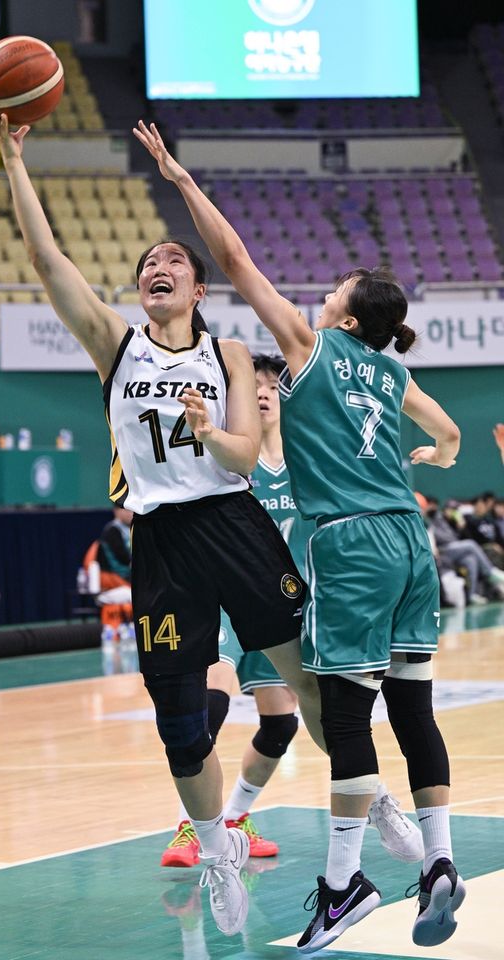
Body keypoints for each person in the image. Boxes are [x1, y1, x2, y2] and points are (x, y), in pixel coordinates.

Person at [0, 95, 316, 938]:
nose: (156, 264)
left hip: (234, 520)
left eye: (173, 258)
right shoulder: (114, 346)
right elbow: (46, 259)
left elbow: (244, 446)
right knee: (179, 722)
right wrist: (13, 159)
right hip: (159, 538)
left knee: (306, 680)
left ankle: (373, 806)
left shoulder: (227, 352)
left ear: (197, 286)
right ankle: (215, 848)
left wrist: (221, 433)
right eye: (147, 261)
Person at [134, 120, 466, 952]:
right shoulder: (394, 370)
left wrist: (181, 180)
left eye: (339, 285)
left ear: (350, 312)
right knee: (414, 711)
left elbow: (237, 257)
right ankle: (437, 860)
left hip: (350, 545)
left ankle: (343, 884)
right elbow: (451, 435)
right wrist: (439, 451)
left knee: (346, 720)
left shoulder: (312, 348)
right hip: (410, 545)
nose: (327, 289)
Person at [161, 355, 424, 870]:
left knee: (288, 724)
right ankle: (191, 825)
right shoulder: (232, 457)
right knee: (205, 706)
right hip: (226, 604)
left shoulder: (311, 460)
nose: (262, 392)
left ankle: (355, 799)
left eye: (272, 385)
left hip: (287, 605)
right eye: (252, 385)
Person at [428, 497, 504, 603]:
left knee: (471, 559)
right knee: (470, 544)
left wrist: (461, 528)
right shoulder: (438, 519)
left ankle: (471, 595)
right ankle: (490, 571)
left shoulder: (455, 522)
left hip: (454, 552)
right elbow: (443, 539)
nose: (453, 512)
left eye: (455, 510)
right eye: (451, 509)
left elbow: (461, 537)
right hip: (443, 552)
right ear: (445, 510)